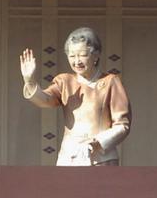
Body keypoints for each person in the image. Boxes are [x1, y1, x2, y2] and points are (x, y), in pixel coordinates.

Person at [19, 27, 131, 166]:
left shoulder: (110, 81)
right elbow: (45, 100)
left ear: (96, 55)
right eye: (72, 56)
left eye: (82, 55)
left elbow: (122, 125)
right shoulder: (64, 81)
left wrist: (98, 142)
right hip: (69, 158)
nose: (77, 61)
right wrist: (30, 81)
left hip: (101, 159)